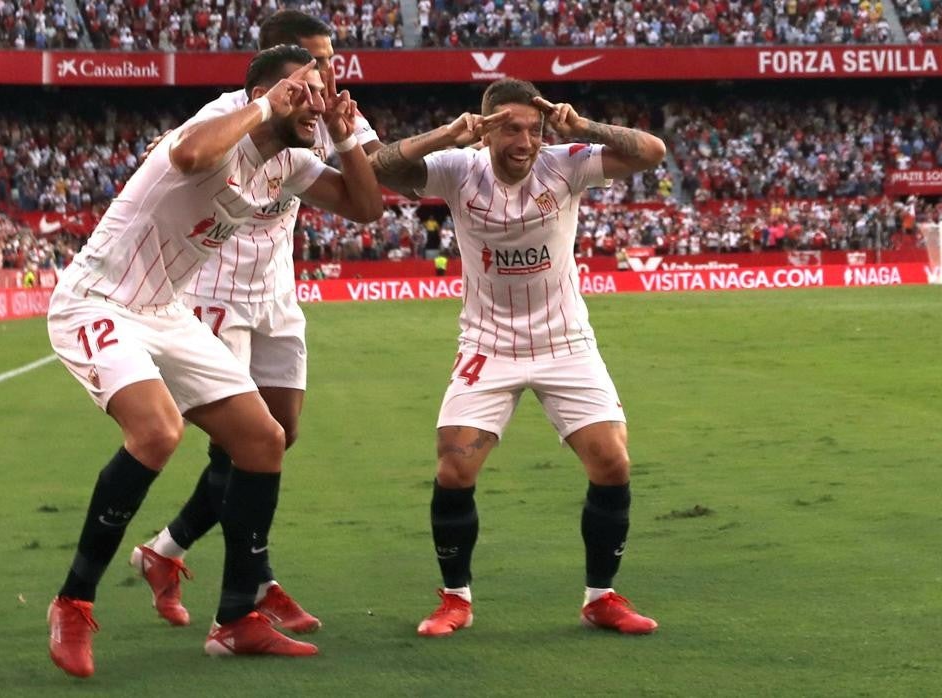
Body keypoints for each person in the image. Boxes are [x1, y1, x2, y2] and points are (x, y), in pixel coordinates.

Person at [45, 45, 382, 678]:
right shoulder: (223, 119)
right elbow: (190, 156)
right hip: (99, 300)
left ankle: (234, 620)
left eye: (321, 89)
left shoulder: (290, 158)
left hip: (166, 310)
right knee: (157, 430)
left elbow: (366, 208)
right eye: (304, 89)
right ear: (265, 90)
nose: (315, 99)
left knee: (263, 441)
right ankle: (73, 601)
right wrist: (263, 105)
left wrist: (344, 135)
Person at [371, 78, 665, 637]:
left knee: (612, 462)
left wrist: (581, 127)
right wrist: (445, 135)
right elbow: (379, 168)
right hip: (488, 344)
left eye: (533, 127)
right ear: (484, 130)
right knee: (455, 467)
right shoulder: (458, 167)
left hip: (565, 342)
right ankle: (455, 599)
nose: (526, 139)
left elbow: (651, 152)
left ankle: (600, 597)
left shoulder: (566, 162)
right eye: (510, 127)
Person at [129, 9, 385, 635]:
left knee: (281, 433)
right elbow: (183, 160)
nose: (329, 70)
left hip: (276, 292)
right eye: (317, 58)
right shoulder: (228, 112)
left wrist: (438, 141)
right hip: (214, 288)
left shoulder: (325, 111)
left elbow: (379, 174)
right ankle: (254, 583)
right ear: (275, 60)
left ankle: (164, 551)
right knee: (245, 442)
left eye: (331, 59)